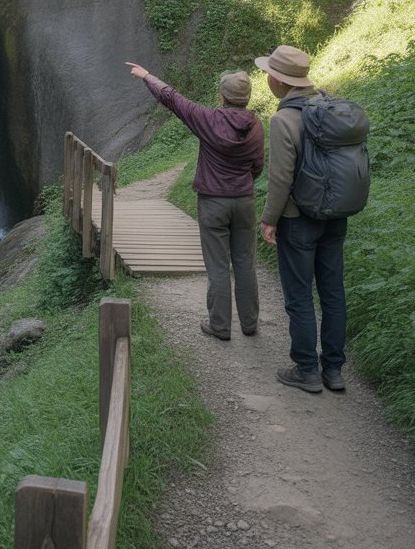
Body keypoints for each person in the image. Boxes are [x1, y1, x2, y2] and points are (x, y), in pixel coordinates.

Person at [126, 63, 265, 340]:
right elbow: (257, 166)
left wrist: (147, 76)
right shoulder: (256, 125)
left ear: (222, 96)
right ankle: (249, 324)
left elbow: (172, 98)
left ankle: (220, 326)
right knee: (245, 262)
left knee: (217, 265)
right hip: (244, 200)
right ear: (247, 97)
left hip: (214, 201)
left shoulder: (208, 119)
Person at [256, 45, 346, 394]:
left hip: (298, 219)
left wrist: (268, 219)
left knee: (299, 294)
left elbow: (281, 178)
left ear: (278, 80)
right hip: (336, 215)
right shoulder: (331, 108)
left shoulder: (283, 120)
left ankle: (307, 369)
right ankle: (334, 371)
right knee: (333, 292)